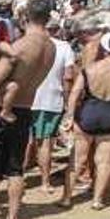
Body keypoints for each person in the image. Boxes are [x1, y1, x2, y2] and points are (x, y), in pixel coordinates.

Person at [0, 0, 58, 219]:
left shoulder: (21, 46)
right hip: (25, 109)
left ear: (25, 16)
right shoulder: (52, 48)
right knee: (15, 169)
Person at [61, 29, 110, 210]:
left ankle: (66, 197)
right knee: (104, 160)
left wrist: (70, 115)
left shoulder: (91, 68)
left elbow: (75, 93)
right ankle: (97, 200)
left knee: (77, 158)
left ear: (108, 47)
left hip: (88, 113)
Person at [26, 18, 76, 194]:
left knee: (27, 140)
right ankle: (45, 182)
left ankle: (18, 176)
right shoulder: (64, 47)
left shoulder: (28, 44)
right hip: (50, 98)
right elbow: (68, 76)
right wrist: (68, 100)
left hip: (26, 98)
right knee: (45, 142)